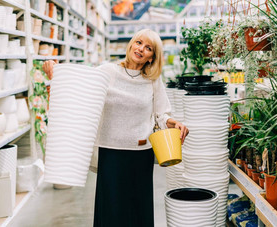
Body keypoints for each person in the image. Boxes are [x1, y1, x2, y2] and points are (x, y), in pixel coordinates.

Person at [43, 28, 189, 227]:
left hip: (140, 154)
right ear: (131, 44)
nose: (141, 49)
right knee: (111, 210)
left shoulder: (153, 81)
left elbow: (161, 115)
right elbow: (80, 91)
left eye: (148, 48)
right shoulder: (106, 72)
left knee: (138, 210)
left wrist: (175, 123)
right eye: (138, 43)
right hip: (110, 152)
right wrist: (56, 74)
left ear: (151, 58)